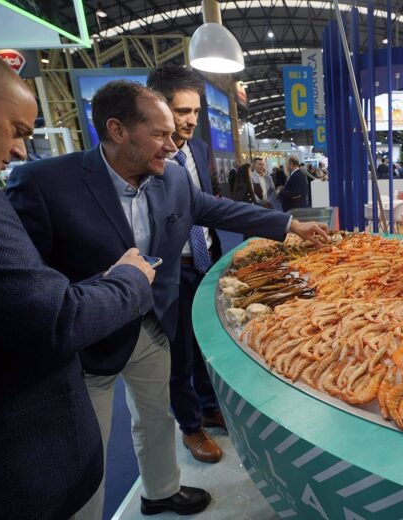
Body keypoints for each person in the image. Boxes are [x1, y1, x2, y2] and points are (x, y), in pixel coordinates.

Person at [7, 81, 328, 519]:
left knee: (156, 416)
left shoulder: (171, 177)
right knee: (85, 449)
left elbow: (219, 210)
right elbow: (28, 275)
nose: (173, 146)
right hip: (87, 344)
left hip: (154, 323)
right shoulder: (46, 183)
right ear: (118, 130)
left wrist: (289, 225)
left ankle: (160, 491)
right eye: (160, 134)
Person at [0, 39, 156, 520]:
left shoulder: (168, 180)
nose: (19, 148)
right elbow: (49, 311)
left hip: (143, 332)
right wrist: (128, 278)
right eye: (16, 129)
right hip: (22, 446)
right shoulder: (29, 184)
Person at [147, 65, 227, 465]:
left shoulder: (199, 150)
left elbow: (208, 206)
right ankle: (190, 426)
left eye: (196, 111)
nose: (191, 120)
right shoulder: (148, 158)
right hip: (170, 269)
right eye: (182, 111)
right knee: (179, 354)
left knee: (206, 345)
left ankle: (210, 407)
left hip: (205, 260)